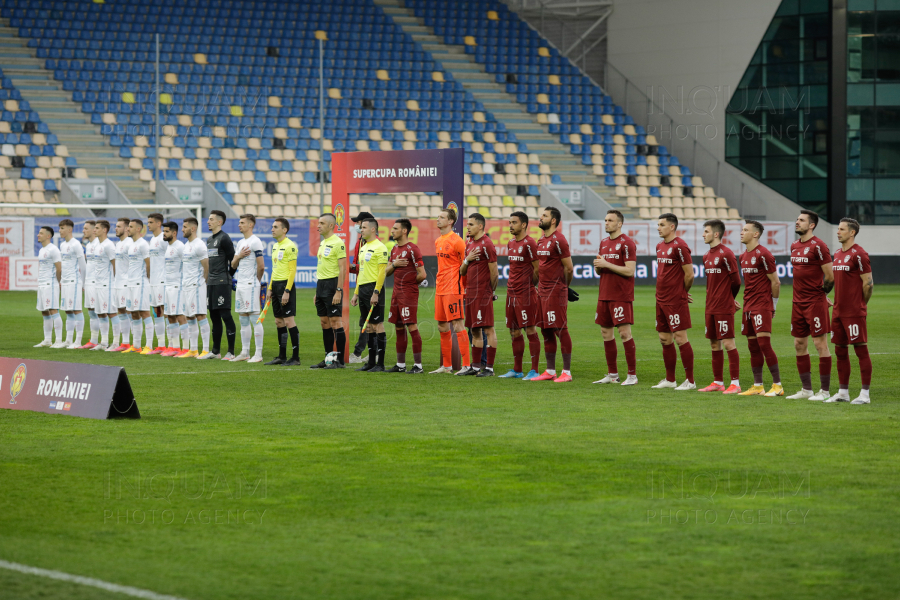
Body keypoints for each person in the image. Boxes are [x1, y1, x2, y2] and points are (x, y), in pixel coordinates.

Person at [786, 210, 834, 401]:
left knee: (820, 344)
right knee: (799, 344)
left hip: (814, 302)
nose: (797, 222)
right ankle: (806, 390)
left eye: (802, 220)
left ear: (811, 225)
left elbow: (830, 277)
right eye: (797, 219)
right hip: (797, 302)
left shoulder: (819, 246)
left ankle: (825, 391)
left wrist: (822, 296)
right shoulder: (794, 245)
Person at [826, 218, 873, 404]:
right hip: (837, 311)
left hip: (854, 311)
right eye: (838, 229)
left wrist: (861, 304)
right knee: (840, 351)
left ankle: (865, 394)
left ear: (852, 232)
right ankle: (843, 392)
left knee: (861, 350)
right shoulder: (837, 253)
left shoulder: (859, 254)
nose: (838, 232)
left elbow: (868, 283)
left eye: (842, 229)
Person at [592, 210, 638, 386]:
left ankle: (632, 376)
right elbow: (602, 269)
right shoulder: (603, 243)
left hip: (620, 295)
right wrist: (598, 267)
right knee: (606, 333)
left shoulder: (627, 243)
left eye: (610, 220)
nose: (606, 223)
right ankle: (612, 375)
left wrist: (606, 264)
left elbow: (630, 270)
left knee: (624, 333)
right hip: (604, 293)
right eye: (605, 220)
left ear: (619, 224)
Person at [738, 220, 783, 396]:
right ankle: (758, 386)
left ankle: (777, 385)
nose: (741, 232)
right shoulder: (743, 256)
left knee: (764, 343)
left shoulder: (764, 254)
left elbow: (776, 282)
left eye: (745, 230)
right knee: (752, 346)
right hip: (748, 305)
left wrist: (773, 306)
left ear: (755, 234)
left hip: (762, 305)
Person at [651, 213, 695, 390]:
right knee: (664, 338)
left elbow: (689, 274)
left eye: (662, 225)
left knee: (680, 338)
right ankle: (670, 379)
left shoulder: (680, 246)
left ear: (672, 227)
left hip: (675, 300)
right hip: (660, 298)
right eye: (658, 224)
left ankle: (690, 381)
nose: (658, 228)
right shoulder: (660, 246)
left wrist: (682, 292)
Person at [531, 207, 574, 382]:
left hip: (555, 292)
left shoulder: (559, 240)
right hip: (542, 291)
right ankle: (550, 370)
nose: (540, 218)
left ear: (553, 220)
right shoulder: (541, 240)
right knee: (545, 329)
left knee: (560, 329)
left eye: (545, 216)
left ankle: (567, 372)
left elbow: (569, 267)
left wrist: (564, 287)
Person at [698, 219, 742, 394]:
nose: (703, 234)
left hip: (723, 306)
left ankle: (735, 384)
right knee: (714, 344)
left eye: (706, 231)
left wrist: (730, 299)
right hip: (710, 306)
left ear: (716, 234)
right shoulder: (706, 256)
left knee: (729, 343)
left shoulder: (727, 254)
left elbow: (736, 281)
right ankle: (718, 382)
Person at [431, 207, 473, 375]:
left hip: (453, 288)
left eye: (441, 217)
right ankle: (446, 366)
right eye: (438, 217)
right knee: (442, 326)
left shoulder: (457, 241)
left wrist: (463, 288)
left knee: (457, 324)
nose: (438, 219)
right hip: (440, 288)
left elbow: (465, 267)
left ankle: (467, 365)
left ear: (450, 221)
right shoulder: (438, 240)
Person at [500, 211, 541, 379]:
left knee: (529, 329)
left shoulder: (530, 243)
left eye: (514, 222)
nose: (510, 225)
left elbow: (537, 269)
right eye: (510, 222)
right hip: (511, 293)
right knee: (513, 331)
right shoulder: (510, 243)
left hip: (525, 293)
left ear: (523, 224)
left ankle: (534, 370)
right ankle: (517, 370)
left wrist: (529, 286)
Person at [385, 218, 426, 373]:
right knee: (398, 326)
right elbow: (386, 272)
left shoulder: (412, 249)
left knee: (411, 325)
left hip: (408, 293)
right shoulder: (394, 249)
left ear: (404, 231)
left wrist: (409, 285)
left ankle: (418, 366)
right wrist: (394, 264)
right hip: (396, 293)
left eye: (395, 228)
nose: (392, 231)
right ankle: (400, 365)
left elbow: (422, 274)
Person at [461, 213, 499, 376]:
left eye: (470, 224)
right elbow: (461, 271)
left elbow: (494, 272)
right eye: (467, 224)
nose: (467, 227)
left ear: (480, 226)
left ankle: (489, 368)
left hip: (482, 293)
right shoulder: (469, 244)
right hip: (470, 293)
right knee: (474, 329)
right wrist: (467, 260)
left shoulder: (487, 244)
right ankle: (475, 367)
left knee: (488, 329)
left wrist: (491, 292)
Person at [351, 218, 390, 372]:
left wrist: (376, 292)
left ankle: (380, 363)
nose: (361, 230)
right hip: (363, 289)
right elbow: (361, 272)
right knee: (368, 327)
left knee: (377, 324)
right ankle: (371, 362)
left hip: (374, 289)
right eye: (361, 227)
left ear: (373, 229)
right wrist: (356, 293)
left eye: (364, 227)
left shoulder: (380, 247)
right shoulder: (363, 248)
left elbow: (382, 272)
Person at [310, 213, 348, 369]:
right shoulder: (323, 243)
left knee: (335, 322)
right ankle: (328, 359)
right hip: (321, 285)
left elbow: (342, 268)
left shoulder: (338, 243)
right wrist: (317, 292)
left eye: (322, 223)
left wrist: (338, 290)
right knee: (324, 322)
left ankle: (340, 361)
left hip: (333, 285)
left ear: (331, 225)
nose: (318, 226)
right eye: (318, 223)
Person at [230, 213, 267, 363]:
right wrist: (238, 256)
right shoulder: (240, 243)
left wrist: (255, 281)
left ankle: (258, 354)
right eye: (239, 222)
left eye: (242, 223)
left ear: (250, 225)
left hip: (251, 285)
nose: (239, 225)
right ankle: (245, 352)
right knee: (243, 319)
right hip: (240, 285)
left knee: (255, 319)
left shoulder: (255, 241)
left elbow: (261, 266)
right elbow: (232, 265)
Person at [201, 210, 237, 359]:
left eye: (211, 219)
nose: (208, 222)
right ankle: (215, 351)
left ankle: (231, 352)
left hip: (222, 282)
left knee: (225, 315)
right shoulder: (209, 240)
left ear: (219, 222)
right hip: (212, 282)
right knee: (214, 316)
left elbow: (233, 260)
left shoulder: (225, 238)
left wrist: (228, 276)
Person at [265, 217, 300, 366]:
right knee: (279, 321)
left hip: (286, 286)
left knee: (288, 320)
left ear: (284, 230)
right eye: (272, 227)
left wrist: (287, 290)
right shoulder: (275, 246)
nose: (272, 229)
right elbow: (274, 269)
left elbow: (292, 271)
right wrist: (270, 287)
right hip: (276, 286)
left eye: (275, 227)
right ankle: (282, 356)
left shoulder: (290, 246)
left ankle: (296, 357)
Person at [179, 217, 211, 359]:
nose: (182, 229)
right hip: (186, 286)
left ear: (193, 228)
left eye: (185, 227)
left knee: (200, 316)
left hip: (196, 286)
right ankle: (193, 350)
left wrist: (201, 283)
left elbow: (206, 267)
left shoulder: (199, 245)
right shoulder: (186, 245)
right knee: (189, 317)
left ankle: (205, 349)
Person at [347, 210, 375, 364]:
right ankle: (372, 352)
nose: (357, 226)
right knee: (366, 321)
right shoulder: (361, 241)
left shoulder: (372, 244)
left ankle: (358, 353)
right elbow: (359, 266)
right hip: (361, 283)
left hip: (369, 285)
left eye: (359, 223)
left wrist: (351, 266)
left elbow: (365, 267)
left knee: (368, 321)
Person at [121, 218, 152, 354]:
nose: (128, 229)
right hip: (131, 283)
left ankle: (149, 345)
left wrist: (146, 279)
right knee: (133, 313)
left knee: (144, 312)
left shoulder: (143, 244)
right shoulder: (131, 245)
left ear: (138, 229)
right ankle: (136, 345)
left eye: (131, 227)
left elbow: (149, 263)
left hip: (140, 283)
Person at [160, 221, 190, 357]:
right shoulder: (168, 247)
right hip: (168, 286)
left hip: (178, 286)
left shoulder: (180, 247)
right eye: (163, 231)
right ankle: (174, 347)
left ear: (174, 233)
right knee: (169, 316)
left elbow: (187, 266)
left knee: (180, 316)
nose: (164, 234)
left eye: (166, 231)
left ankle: (186, 348)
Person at [57, 219, 86, 349]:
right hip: (66, 282)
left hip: (75, 281)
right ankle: (68, 340)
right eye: (59, 228)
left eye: (62, 228)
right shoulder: (62, 245)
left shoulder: (76, 245)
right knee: (68, 310)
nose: (60, 231)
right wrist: (61, 280)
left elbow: (83, 265)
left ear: (69, 229)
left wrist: (83, 283)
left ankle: (78, 341)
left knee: (76, 309)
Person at [88, 220, 117, 351]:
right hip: (97, 284)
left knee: (111, 313)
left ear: (104, 230)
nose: (95, 230)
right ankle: (104, 343)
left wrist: (115, 282)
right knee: (100, 313)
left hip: (107, 285)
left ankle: (116, 342)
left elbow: (115, 264)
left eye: (97, 228)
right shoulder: (97, 246)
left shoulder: (108, 245)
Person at [33, 225, 63, 347]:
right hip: (41, 284)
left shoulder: (53, 250)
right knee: (44, 312)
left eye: (40, 233)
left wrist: (57, 282)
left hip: (50, 284)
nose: (38, 235)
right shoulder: (41, 250)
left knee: (53, 310)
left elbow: (59, 268)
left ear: (48, 236)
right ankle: (47, 340)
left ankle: (59, 340)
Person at [144, 213, 168, 354]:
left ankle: (172, 345)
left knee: (166, 312)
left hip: (163, 280)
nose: (148, 224)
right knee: (157, 313)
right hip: (153, 281)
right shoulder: (152, 240)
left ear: (159, 224)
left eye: (151, 222)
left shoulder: (163, 239)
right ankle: (160, 345)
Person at [109, 217, 133, 352]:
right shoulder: (118, 244)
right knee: (121, 312)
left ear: (126, 228)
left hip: (127, 283)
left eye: (118, 226)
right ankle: (124, 342)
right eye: (116, 226)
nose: (116, 229)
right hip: (118, 282)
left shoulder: (130, 243)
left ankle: (132, 343)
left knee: (129, 312)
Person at [78, 220, 100, 349]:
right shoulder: (90, 245)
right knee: (92, 312)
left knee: (101, 312)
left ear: (93, 230)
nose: (83, 231)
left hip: (98, 283)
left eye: (86, 228)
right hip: (89, 282)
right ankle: (93, 340)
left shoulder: (99, 244)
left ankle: (102, 341)